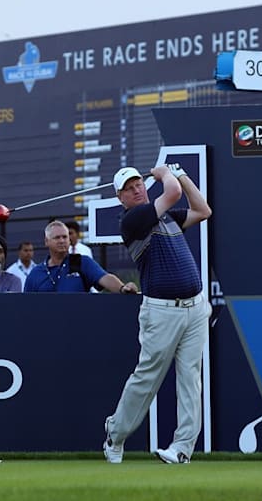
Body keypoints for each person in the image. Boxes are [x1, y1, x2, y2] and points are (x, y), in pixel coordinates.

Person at [103, 163, 212, 465]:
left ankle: (182, 449)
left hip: (195, 307)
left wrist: (181, 175)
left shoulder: (165, 217)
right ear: (120, 198)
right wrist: (166, 173)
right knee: (148, 377)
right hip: (161, 312)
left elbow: (203, 210)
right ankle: (116, 433)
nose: (137, 189)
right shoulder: (132, 220)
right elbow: (173, 193)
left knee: (190, 378)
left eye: (139, 183)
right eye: (129, 187)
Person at [24, 220, 138, 294]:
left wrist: (122, 288)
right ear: (46, 241)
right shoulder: (35, 273)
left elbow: (105, 278)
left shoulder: (82, 262)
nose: (62, 241)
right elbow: (26, 305)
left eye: (65, 237)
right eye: (57, 238)